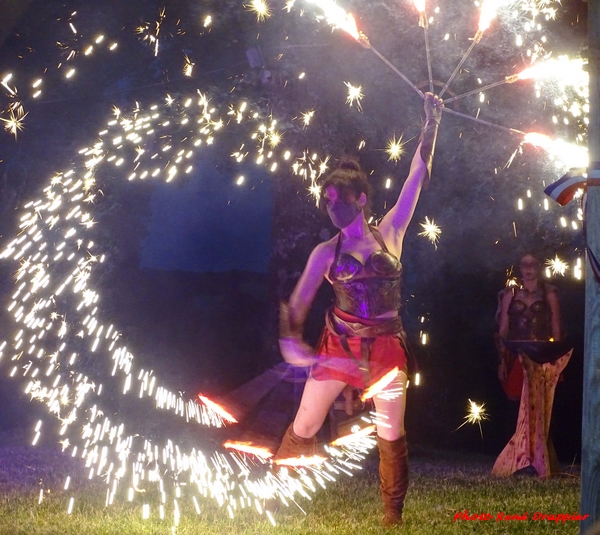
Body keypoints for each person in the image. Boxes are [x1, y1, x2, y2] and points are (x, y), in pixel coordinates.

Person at [275, 93, 444, 527]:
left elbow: (418, 176)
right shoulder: (324, 252)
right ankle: (273, 499)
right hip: (340, 347)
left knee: (391, 433)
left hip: (387, 348)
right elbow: (295, 308)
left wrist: (431, 122)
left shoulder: (391, 231)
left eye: (340, 199)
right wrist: (292, 342)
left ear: (362, 199)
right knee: (306, 425)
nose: (333, 207)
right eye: (328, 200)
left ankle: (392, 517)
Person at [492, 253, 572, 478]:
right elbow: (503, 329)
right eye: (524, 265)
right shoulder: (510, 294)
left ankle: (540, 460)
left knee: (541, 407)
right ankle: (515, 461)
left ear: (539, 267)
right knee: (515, 406)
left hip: (542, 356)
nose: (528, 269)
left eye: (532, 265)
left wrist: (556, 358)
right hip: (517, 355)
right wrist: (501, 360)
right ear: (520, 268)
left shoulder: (549, 293)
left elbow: (556, 326)